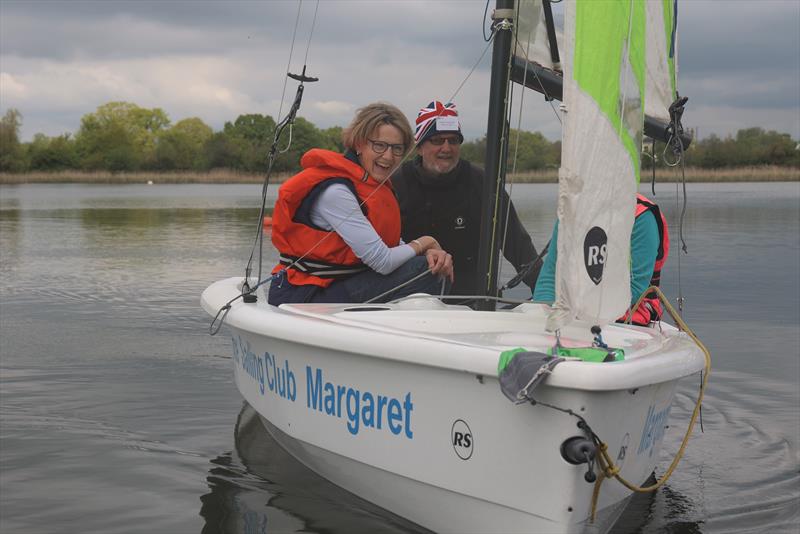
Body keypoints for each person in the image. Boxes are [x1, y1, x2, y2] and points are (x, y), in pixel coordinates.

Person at [268, 102, 454, 306]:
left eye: (397, 148)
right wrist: (426, 242)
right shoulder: (336, 192)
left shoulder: (372, 186)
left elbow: (386, 245)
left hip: (343, 283)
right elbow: (383, 262)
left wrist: (429, 252)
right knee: (426, 271)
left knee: (434, 264)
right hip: (306, 294)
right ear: (359, 144)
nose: (389, 156)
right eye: (380, 145)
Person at [391, 100, 541, 296]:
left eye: (453, 140)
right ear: (419, 147)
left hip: (474, 302)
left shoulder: (483, 183)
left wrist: (544, 291)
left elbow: (518, 244)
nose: (446, 148)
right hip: (411, 301)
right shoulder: (396, 184)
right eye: (437, 140)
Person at [533, 194, 670, 326]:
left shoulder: (642, 217)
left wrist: (581, 311)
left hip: (627, 318)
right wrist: (544, 313)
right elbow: (550, 278)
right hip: (572, 311)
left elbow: (634, 288)